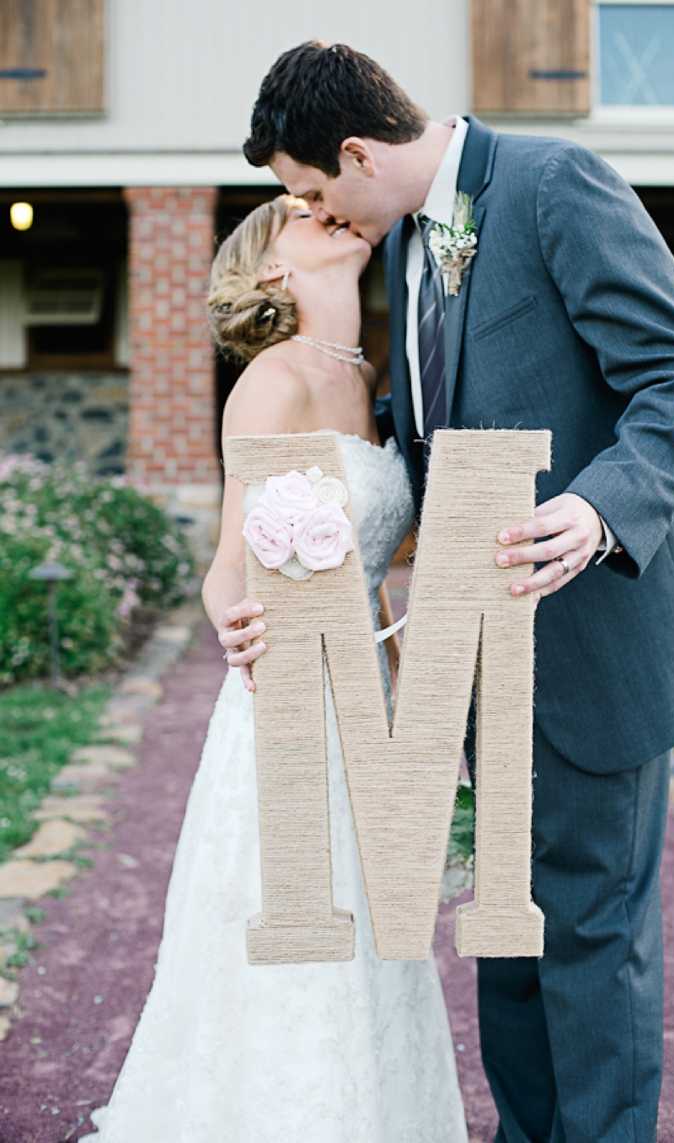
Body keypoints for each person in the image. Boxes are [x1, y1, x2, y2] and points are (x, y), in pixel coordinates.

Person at [242, 41, 674, 1143]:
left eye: (312, 193)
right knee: (508, 932)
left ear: (353, 153)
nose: (320, 217)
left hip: (597, 628)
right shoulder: (400, 247)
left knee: (590, 929)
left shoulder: (552, 184)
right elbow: (438, 435)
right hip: (479, 648)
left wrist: (601, 506)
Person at [80, 195, 468, 1142]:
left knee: (370, 928)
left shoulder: (376, 377)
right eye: (299, 212)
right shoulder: (270, 383)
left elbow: (373, 571)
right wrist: (235, 630)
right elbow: (227, 568)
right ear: (271, 271)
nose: (326, 212)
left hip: (367, 699)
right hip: (291, 703)